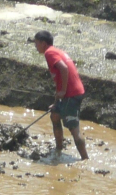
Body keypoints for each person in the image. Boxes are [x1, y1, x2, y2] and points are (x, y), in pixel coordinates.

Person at [33, 30, 89, 160]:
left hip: (71, 94)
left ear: (43, 43)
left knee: (74, 129)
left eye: (36, 43)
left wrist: (63, 91)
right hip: (69, 93)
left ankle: (85, 160)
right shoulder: (57, 51)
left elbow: (64, 68)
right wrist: (57, 101)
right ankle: (58, 150)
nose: (35, 46)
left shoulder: (49, 53)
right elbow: (59, 77)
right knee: (55, 115)